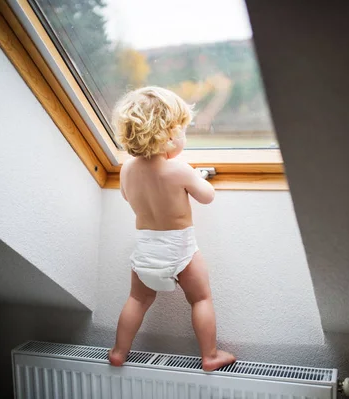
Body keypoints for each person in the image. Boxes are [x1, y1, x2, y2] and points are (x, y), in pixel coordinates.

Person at [109, 86, 236, 372]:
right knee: (200, 298)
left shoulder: (127, 169)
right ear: (166, 135)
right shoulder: (178, 169)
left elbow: (127, 196)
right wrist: (197, 176)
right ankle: (210, 355)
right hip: (180, 247)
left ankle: (118, 351)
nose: (184, 138)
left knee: (137, 299)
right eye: (182, 131)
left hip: (145, 248)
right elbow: (207, 196)